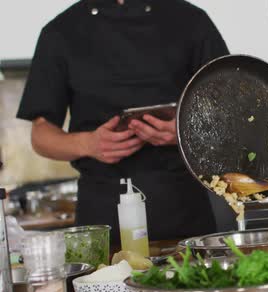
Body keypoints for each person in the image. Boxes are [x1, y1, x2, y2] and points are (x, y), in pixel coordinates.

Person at [16, 0, 229, 244]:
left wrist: (185, 131)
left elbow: (228, 114)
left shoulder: (192, 21)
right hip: (102, 212)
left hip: (180, 204)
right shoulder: (60, 32)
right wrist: (89, 144)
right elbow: (41, 136)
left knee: (192, 280)